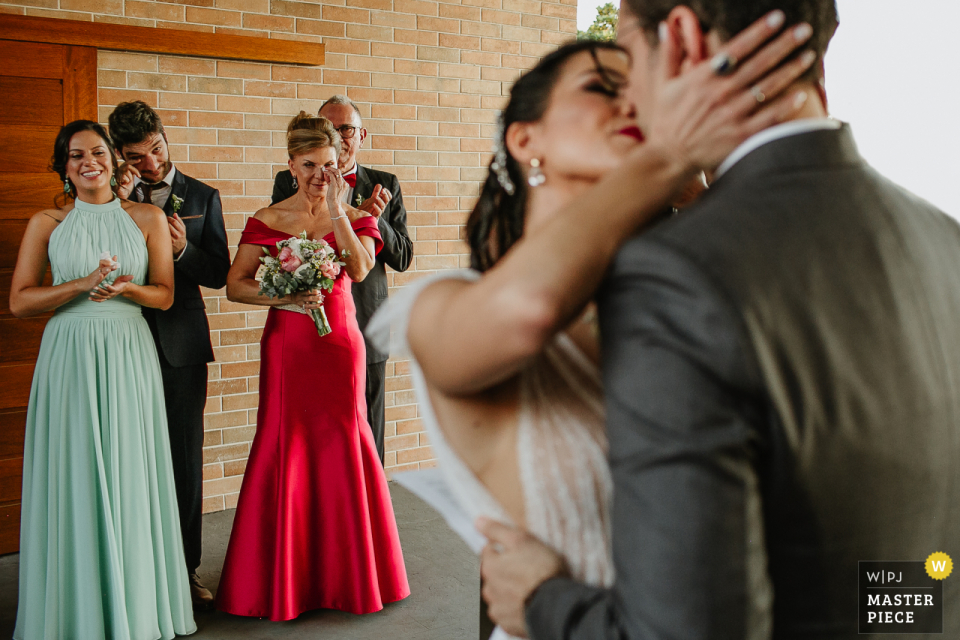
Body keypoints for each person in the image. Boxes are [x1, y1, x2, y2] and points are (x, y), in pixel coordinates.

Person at [478, 0, 960, 638]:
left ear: (679, 38)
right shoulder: (942, 237)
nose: (633, 98)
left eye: (629, 52)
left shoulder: (675, 275)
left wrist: (542, 602)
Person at [366, 11, 816, 640]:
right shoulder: (444, 307)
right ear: (526, 141)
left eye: (641, 92)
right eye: (603, 88)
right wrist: (668, 152)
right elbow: (529, 314)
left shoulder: (678, 305)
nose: (631, 101)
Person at [217, 113, 410, 621]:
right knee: (285, 443)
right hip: (289, 348)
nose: (320, 174)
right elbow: (235, 285)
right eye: (309, 165)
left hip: (339, 346)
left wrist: (336, 211)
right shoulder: (266, 218)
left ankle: (350, 572)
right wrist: (280, 297)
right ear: (290, 165)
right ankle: (281, 577)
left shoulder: (356, 215)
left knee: (344, 441)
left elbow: (362, 267)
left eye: (328, 164)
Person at [10, 120, 195, 639]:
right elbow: (21, 301)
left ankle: (135, 603)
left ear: (115, 160)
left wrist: (124, 290)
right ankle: (78, 610)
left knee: (128, 466)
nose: (87, 162)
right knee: (76, 467)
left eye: (96, 152)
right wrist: (82, 284)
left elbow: (164, 294)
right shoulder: (46, 221)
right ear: (64, 168)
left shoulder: (148, 218)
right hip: (69, 353)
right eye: (75, 156)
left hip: (127, 349)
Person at [108, 100, 231, 608]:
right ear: (120, 154)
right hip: (120, 342)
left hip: (180, 346)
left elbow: (221, 273)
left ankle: (184, 570)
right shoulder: (107, 198)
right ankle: (131, 569)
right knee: (126, 456)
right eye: (137, 157)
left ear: (164, 135)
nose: (152, 163)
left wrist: (183, 252)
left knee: (183, 459)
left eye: (156, 148)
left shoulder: (202, 196)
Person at [273, 95, 413, 464]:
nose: (338, 135)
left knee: (367, 433)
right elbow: (281, 247)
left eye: (345, 128)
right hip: (307, 324)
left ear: (361, 134)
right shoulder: (286, 181)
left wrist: (370, 220)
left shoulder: (385, 183)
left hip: (365, 321)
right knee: (314, 429)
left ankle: (370, 514)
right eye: (330, 128)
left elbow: (403, 257)